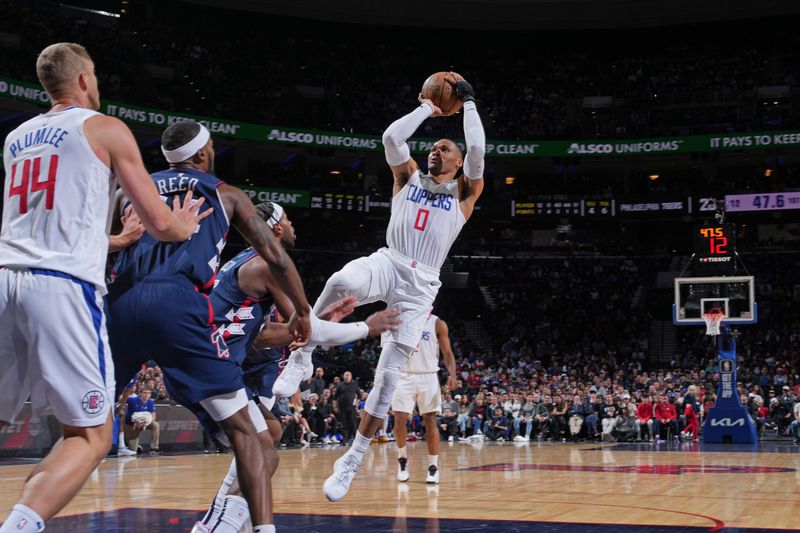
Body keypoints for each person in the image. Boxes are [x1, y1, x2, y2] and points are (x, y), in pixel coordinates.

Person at [0, 43, 207, 533]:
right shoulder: (105, 128)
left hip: (7, 276)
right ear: (86, 80)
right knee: (92, 435)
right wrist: (181, 226)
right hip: (63, 288)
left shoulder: (16, 138)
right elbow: (161, 221)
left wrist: (116, 240)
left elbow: (44, 223)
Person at [273, 78, 485, 502]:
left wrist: (469, 103)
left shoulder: (465, 191)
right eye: (434, 146)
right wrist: (428, 107)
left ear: (459, 163)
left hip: (421, 286)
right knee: (341, 281)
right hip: (389, 260)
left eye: (445, 148)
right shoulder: (407, 176)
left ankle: (352, 459)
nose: (435, 151)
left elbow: (478, 149)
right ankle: (302, 355)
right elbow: (391, 136)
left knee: (388, 381)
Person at [108, 119, 312, 533]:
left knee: (85, 429)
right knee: (254, 439)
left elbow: (97, 241)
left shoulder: (129, 188)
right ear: (202, 154)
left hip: (120, 301)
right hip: (177, 306)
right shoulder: (225, 193)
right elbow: (276, 257)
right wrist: (303, 310)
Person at [192, 203, 397, 533]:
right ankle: (215, 528)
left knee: (269, 434)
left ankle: (223, 518)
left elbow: (268, 334)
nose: (293, 225)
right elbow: (303, 332)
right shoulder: (266, 265)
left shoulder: (244, 262)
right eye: (287, 219)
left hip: (212, 360)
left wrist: (324, 318)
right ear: (274, 228)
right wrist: (366, 328)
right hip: (211, 365)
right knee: (264, 456)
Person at [393, 315, 457, 484]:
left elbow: (447, 353)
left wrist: (453, 375)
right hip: (404, 375)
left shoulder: (438, 323)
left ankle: (433, 468)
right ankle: (402, 461)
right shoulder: (401, 320)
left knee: (430, 420)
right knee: (399, 418)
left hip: (428, 376)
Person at [123, 388, 160, 455]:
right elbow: (121, 398)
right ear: (140, 394)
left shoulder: (150, 402)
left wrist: (145, 423)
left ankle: (154, 448)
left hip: (144, 422)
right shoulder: (133, 399)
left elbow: (153, 416)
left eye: (148, 393)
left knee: (156, 425)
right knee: (133, 451)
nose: (146, 395)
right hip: (131, 424)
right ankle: (133, 446)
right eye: (145, 393)